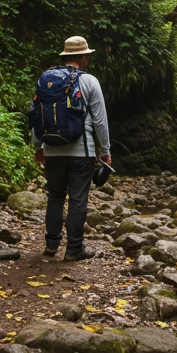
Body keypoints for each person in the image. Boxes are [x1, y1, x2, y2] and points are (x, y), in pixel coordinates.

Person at [33, 36, 112, 262]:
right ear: (84, 56)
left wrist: (38, 146)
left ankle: (51, 246)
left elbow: (37, 114)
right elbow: (100, 120)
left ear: (65, 56)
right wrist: (105, 150)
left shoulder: (46, 79)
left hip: (51, 148)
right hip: (81, 151)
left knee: (55, 196)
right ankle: (73, 250)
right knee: (78, 199)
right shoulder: (90, 81)